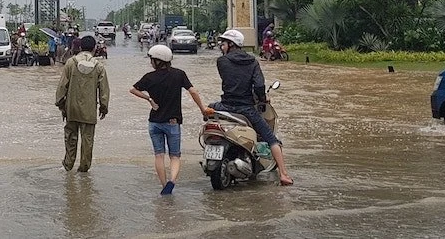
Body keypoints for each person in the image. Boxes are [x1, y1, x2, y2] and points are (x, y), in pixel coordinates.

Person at [211, 29, 293, 186]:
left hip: (225, 106)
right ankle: (283, 174)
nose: (222, 46)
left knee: (208, 110)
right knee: (272, 140)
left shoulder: (222, 62)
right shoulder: (253, 62)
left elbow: (229, 81)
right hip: (246, 108)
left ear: (231, 44)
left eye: (224, 43)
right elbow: (260, 85)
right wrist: (263, 98)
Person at [130, 44, 213, 195]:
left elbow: (133, 89)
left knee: (159, 155)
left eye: (152, 60)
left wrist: (149, 99)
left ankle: (163, 186)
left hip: (154, 123)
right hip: (173, 123)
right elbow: (193, 91)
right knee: (175, 156)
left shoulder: (149, 77)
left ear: (157, 61)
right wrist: (203, 109)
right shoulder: (179, 74)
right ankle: (172, 181)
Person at [55, 35, 110, 173]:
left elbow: (62, 87)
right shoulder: (99, 66)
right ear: (94, 48)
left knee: (70, 138)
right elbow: (104, 90)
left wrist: (61, 104)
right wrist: (104, 107)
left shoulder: (70, 63)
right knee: (87, 140)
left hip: (71, 108)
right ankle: (84, 168)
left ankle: (68, 165)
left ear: (80, 47)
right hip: (89, 109)